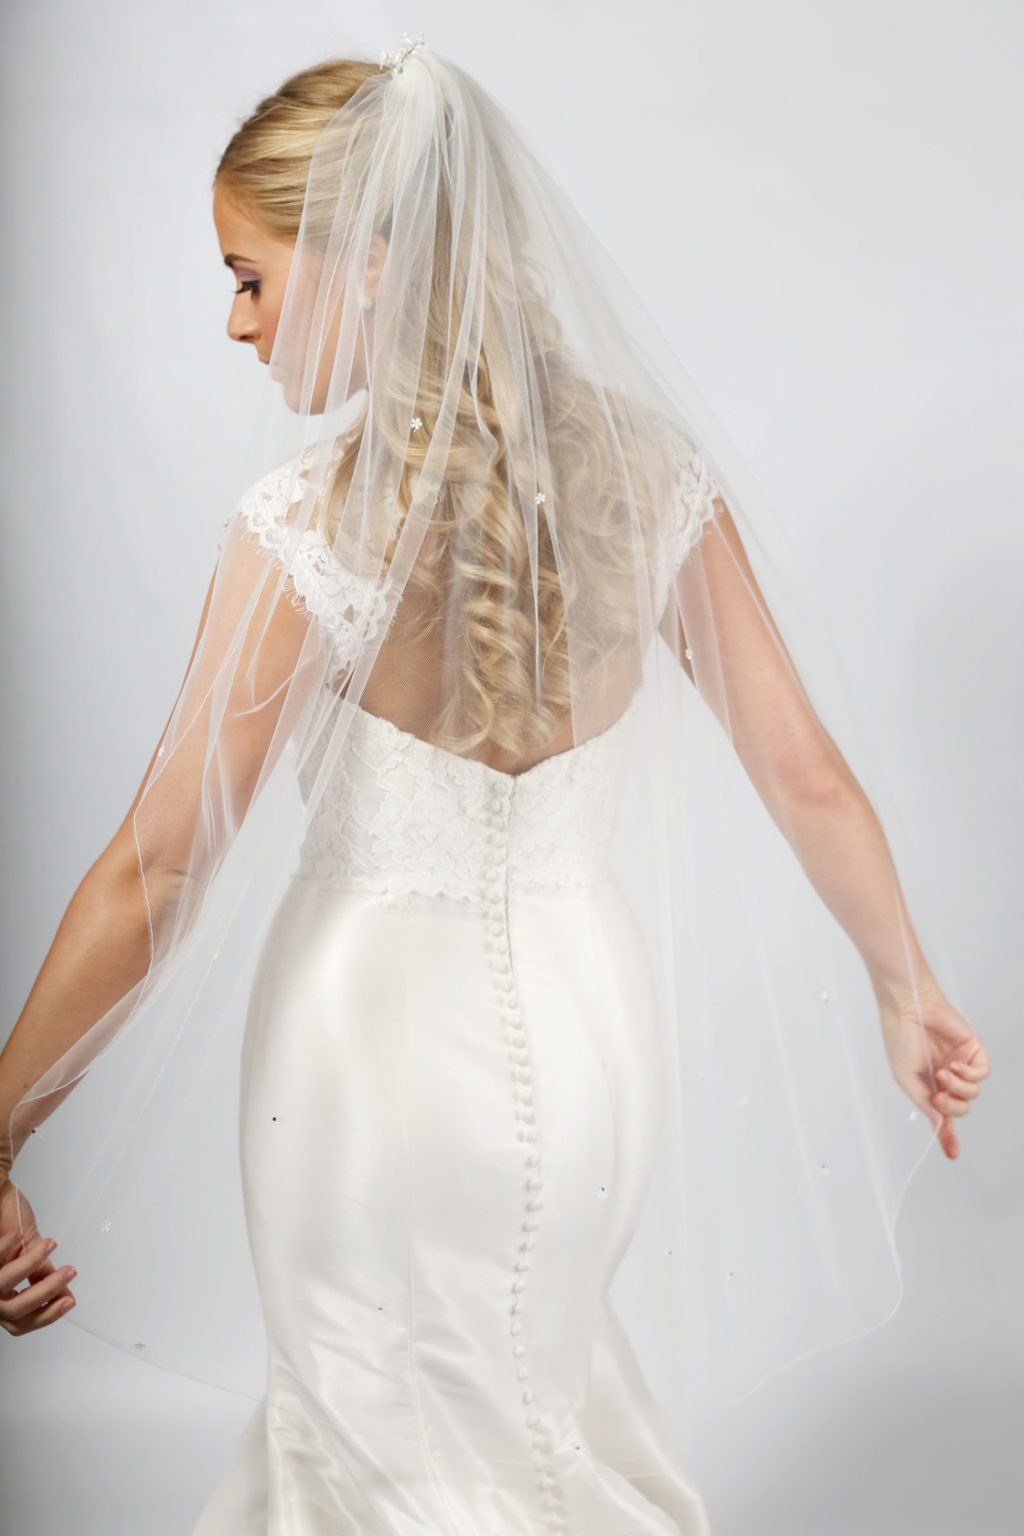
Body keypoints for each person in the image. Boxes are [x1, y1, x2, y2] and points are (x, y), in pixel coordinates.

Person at [0, 36, 990, 1532]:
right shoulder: (646, 481)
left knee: (374, 1443)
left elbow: (161, 865)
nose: (235, 322)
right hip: (592, 1041)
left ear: (371, 263)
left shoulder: (303, 527)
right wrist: (905, 988)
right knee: (533, 1414)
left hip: (367, 1058)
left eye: (252, 277)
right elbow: (806, 771)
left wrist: (2, 1125)